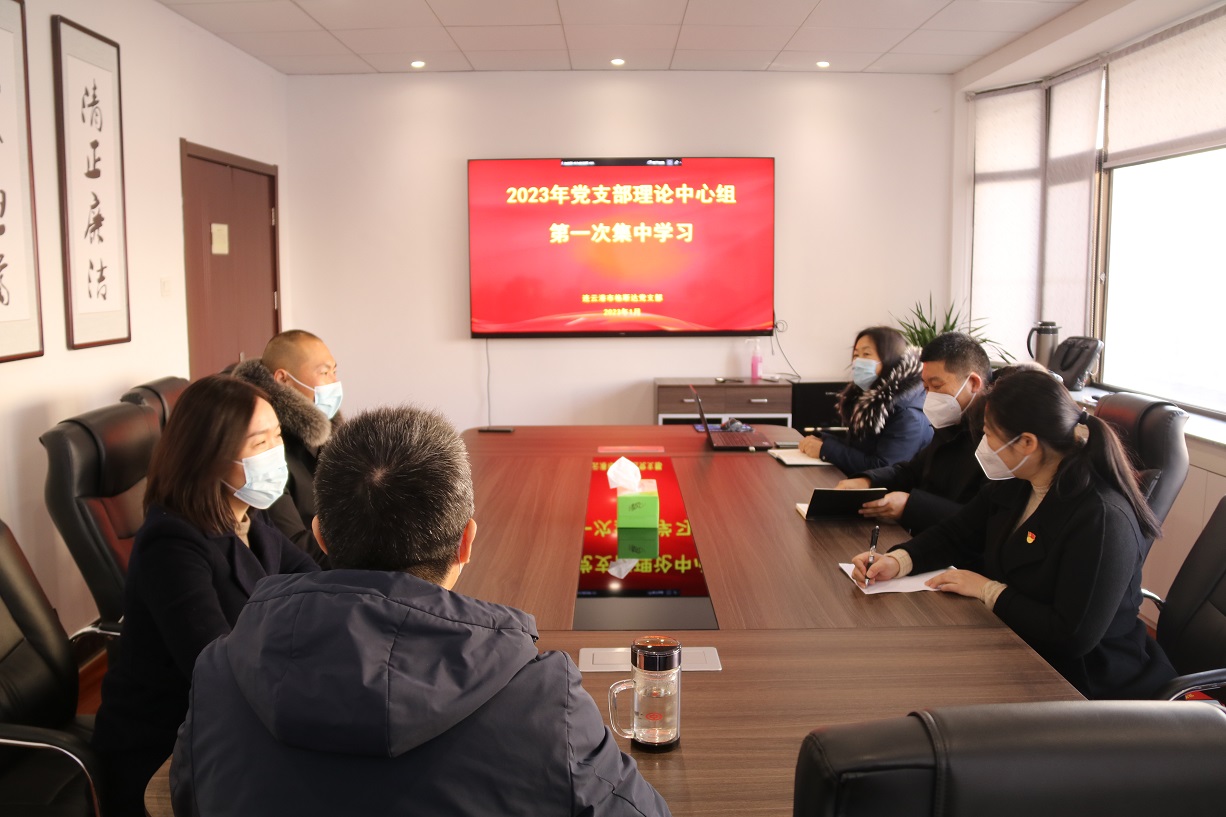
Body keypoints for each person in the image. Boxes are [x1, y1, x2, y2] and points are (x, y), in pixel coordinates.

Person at [170, 406, 672, 817]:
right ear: (466, 542)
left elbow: (187, 799)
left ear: (320, 535)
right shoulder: (542, 697)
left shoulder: (218, 674)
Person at [851, 369, 1176, 699]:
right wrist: (898, 561)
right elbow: (956, 533)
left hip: (1086, 685)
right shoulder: (1019, 482)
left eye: (989, 434)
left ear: (1027, 443)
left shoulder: (1102, 518)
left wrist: (988, 590)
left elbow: (1071, 636)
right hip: (1017, 646)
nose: (983, 445)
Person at [93, 375, 320, 816]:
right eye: (259, 443)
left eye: (277, 436)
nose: (275, 453)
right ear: (209, 455)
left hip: (236, 723)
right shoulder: (171, 543)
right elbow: (216, 665)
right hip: (167, 745)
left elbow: (311, 579)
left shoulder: (247, 514)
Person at [836, 332, 991, 533]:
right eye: (925, 387)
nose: (930, 396)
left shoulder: (996, 437)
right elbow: (911, 471)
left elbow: (982, 518)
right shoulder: (951, 422)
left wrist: (911, 506)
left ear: (974, 383)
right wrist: (869, 481)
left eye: (937, 385)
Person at [232, 329, 341, 564]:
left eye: (334, 371)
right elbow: (294, 547)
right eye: (324, 372)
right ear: (283, 379)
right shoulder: (267, 456)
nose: (334, 382)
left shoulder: (329, 436)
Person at [797, 326, 932, 472]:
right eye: (856, 355)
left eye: (866, 354)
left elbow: (884, 469)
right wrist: (824, 440)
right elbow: (861, 450)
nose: (858, 361)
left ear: (891, 359)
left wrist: (826, 450)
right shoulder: (870, 398)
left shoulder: (908, 413)